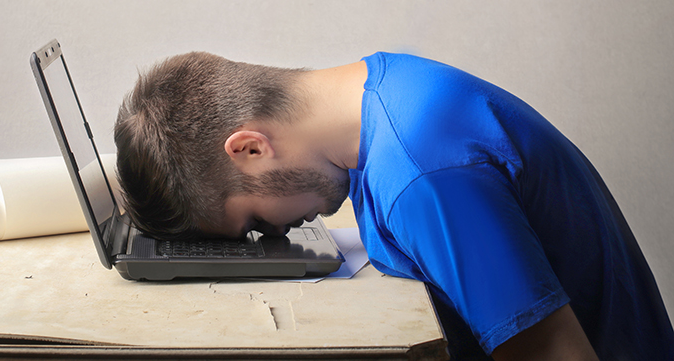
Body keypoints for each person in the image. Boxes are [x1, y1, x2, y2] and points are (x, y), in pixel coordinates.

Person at [114, 51, 674, 360]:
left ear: (251, 148)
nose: (279, 231)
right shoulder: (373, 103)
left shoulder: (424, 173)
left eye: (256, 222)